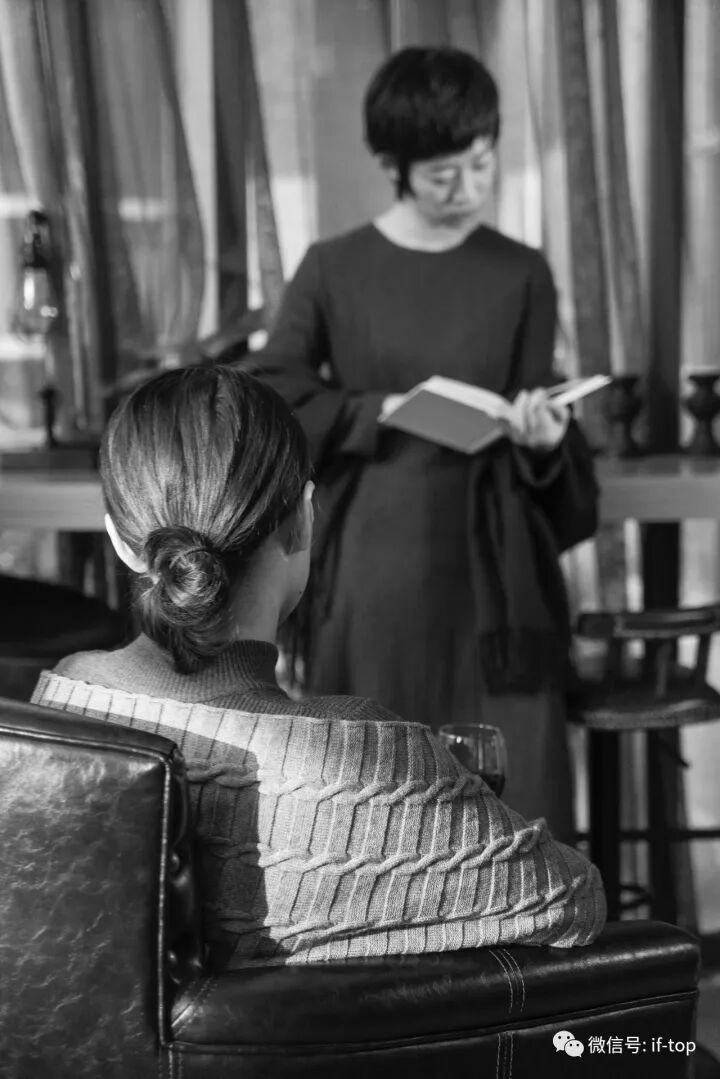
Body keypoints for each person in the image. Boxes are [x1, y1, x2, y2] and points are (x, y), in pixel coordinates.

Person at [32, 365, 605, 970]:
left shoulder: (64, 706)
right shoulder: (368, 764)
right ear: (305, 518)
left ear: (119, 541)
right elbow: (573, 898)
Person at [248, 46, 599, 843]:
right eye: (444, 174)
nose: (469, 188)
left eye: (483, 164)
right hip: (376, 565)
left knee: (518, 800)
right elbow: (274, 393)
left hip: (495, 572)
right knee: (376, 791)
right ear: (391, 166)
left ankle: (532, 921)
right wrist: (381, 410)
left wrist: (544, 439)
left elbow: (537, 418)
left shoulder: (521, 272)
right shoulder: (333, 268)